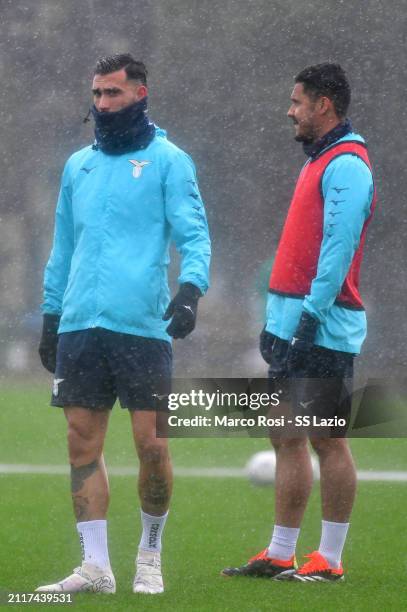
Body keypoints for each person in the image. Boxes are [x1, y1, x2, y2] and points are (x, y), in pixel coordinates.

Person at [36, 53, 211, 595]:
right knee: (80, 443)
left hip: (142, 326)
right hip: (81, 326)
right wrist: (51, 312)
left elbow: (195, 236)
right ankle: (95, 567)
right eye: (96, 95)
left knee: (152, 446)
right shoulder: (77, 167)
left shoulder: (169, 160)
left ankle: (150, 556)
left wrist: (190, 290)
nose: (102, 104)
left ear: (140, 94)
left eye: (113, 94)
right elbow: (64, 246)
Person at [222, 63, 375, 582]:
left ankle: (328, 561)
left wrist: (308, 318)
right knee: (284, 434)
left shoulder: (348, 163)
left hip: (324, 327)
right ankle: (280, 553)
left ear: (324, 105)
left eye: (297, 102)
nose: (290, 110)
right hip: (292, 324)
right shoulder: (318, 161)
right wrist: (276, 323)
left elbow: (337, 250)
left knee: (327, 439)